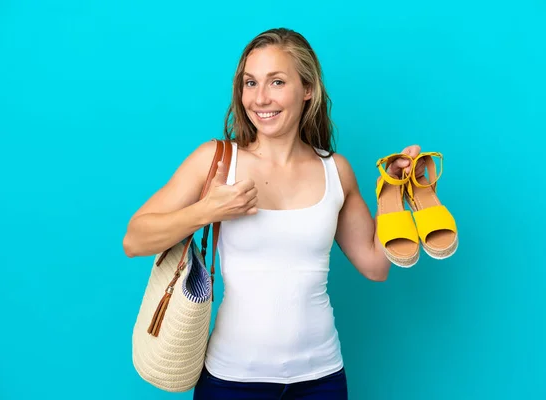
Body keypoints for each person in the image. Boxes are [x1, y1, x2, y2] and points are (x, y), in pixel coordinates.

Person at [123, 27, 425, 400]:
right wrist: (206, 211)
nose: (260, 98)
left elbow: (376, 267)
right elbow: (134, 239)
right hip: (231, 381)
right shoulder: (216, 160)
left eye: (277, 82)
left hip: (322, 379)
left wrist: (394, 191)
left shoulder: (336, 171)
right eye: (251, 83)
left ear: (308, 88)